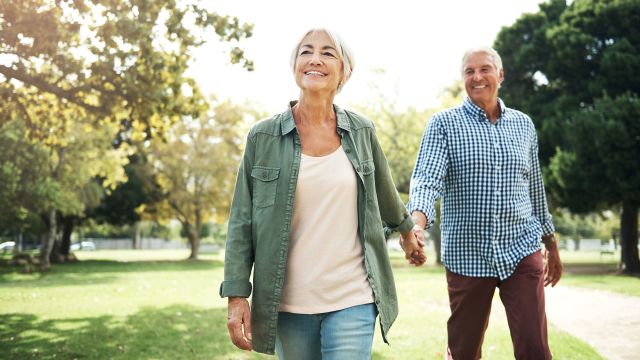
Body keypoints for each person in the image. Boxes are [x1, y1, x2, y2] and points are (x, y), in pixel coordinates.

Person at [220, 27, 426, 359]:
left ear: (344, 71)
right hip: (287, 303)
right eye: (306, 51)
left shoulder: (361, 131)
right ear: (295, 66)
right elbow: (242, 222)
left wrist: (406, 233)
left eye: (328, 52)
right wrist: (236, 295)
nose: (315, 59)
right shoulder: (263, 137)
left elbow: (385, 193)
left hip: (353, 296)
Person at [405, 46, 563, 359]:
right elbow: (426, 179)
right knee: (464, 350)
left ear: (500, 75)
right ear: (463, 79)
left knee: (535, 347)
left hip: (522, 248)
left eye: (485, 69)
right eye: (469, 71)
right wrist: (416, 225)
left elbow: (534, 189)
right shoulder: (443, 125)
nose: (477, 77)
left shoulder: (523, 125)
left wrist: (551, 243)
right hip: (467, 254)